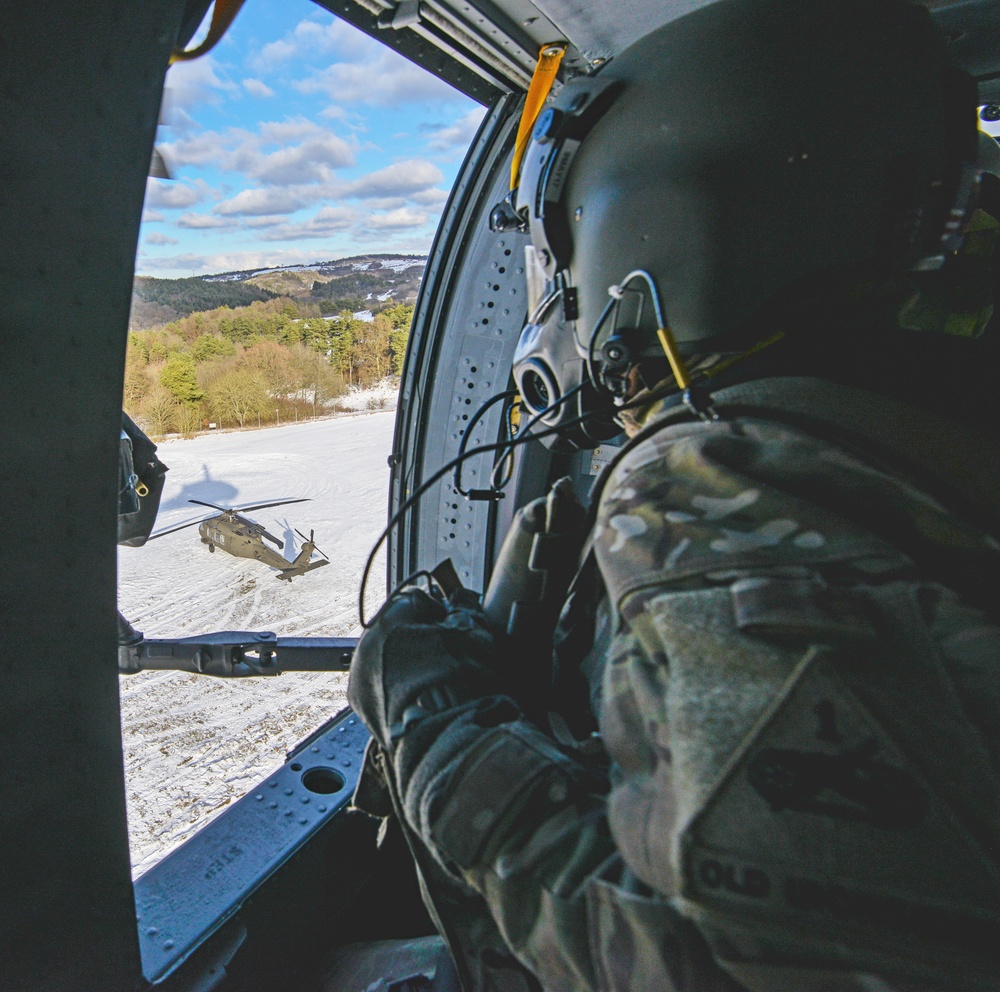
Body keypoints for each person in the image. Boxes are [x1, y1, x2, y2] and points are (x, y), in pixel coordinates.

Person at [348, 1, 1000, 989]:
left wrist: (435, 726)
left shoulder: (717, 479)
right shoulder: (922, 421)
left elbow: (724, 970)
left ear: (640, 232)